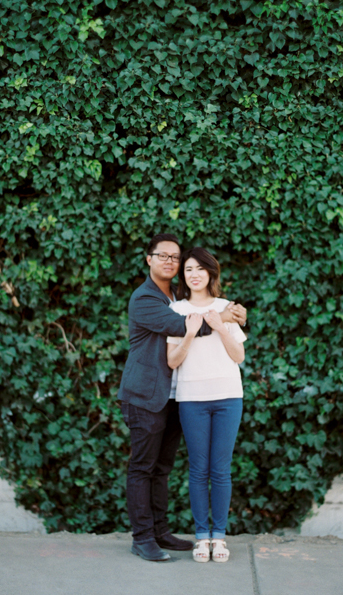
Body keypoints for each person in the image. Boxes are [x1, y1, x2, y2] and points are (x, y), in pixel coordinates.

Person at [118, 233, 247, 562]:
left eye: (174, 258)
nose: (169, 262)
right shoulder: (147, 299)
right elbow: (181, 325)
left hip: (174, 397)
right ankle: (143, 537)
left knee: (161, 469)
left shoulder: (173, 294)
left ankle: (160, 531)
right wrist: (223, 316)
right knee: (143, 468)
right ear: (148, 259)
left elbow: (202, 317)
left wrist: (228, 312)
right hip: (146, 395)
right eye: (162, 256)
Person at [166, 247, 247, 564]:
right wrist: (189, 334)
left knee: (221, 469)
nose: (194, 274)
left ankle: (220, 537)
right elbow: (173, 360)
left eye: (200, 268)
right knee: (199, 470)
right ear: (183, 276)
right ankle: (201, 537)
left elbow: (238, 356)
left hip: (228, 396)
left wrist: (219, 326)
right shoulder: (176, 309)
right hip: (191, 399)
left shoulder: (226, 308)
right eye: (188, 269)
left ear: (211, 273)